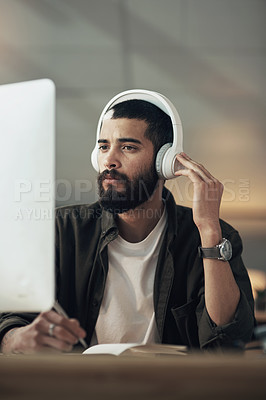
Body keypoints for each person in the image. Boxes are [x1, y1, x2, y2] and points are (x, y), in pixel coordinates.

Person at [0, 96, 255, 354]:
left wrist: (209, 230)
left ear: (163, 161)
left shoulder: (210, 236)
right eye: (103, 147)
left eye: (128, 147)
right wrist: (18, 339)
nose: (109, 160)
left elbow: (229, 340)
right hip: (80, 388)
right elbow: (9, 321)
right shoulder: (62, 229)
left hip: (172, 390)